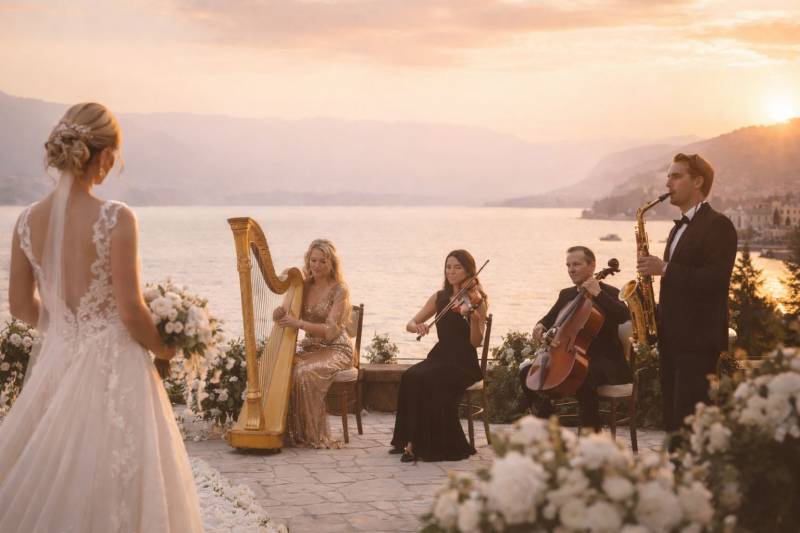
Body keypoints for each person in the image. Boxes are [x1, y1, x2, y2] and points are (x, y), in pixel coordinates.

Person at [0, 103, 203, 532]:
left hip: (58, 360)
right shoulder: (116, 218)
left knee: (52, 469)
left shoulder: (25, 222)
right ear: (105, 155)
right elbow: (130, 310)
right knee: (113, 475)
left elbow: (19, 305)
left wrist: (66, 329)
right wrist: (164, 347)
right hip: (114, 365)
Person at [637, 153, 737, 432]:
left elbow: (716, 279)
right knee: (672, 421)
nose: (668, 183)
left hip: (698, 342)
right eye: (668, 176)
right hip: (672, 339)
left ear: (698, 181)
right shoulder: (677, 230)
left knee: (690, 423)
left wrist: (665, 268)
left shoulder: (718, 224)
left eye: (676, 176)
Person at [390, 249, 487, 462]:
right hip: (441, 356)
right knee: (410, 376)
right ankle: (409, 439)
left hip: (463, 362)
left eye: (457, 267)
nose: (451, 271)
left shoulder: (477, 301)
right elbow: (410, 324)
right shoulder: (440, 297)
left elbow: (475, 342)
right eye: (448, 267)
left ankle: (422, 444)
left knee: (432, 381)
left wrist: (474, 319)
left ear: (468, 270)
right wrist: (419, 327)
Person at [520, 246, 631, 431]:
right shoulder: (567, 294)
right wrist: (540, 327)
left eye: (576, 264)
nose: (571, 269)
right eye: (568, 265)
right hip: (570, 355)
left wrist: (598, 294)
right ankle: (546, 416)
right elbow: (547, 320)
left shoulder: (609, 292)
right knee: (527, 372)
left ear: (592, 265)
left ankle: (591, 433)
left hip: (606, 361)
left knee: (583, 375)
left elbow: (624, 316)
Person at [275, 239, 354, 448]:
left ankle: (311, 433)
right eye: (313, 260)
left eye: (322, 261)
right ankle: (287, 431)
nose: (316, 266)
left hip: (336, 348)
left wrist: (298, 323)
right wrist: (279, 313)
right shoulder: (303, 286)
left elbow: (330, 331)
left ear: (332, 263)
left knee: (304, 372)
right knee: (285, 367)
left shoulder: (340, 289)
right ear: (307, 261)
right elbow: (286, 315)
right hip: (311, 347)